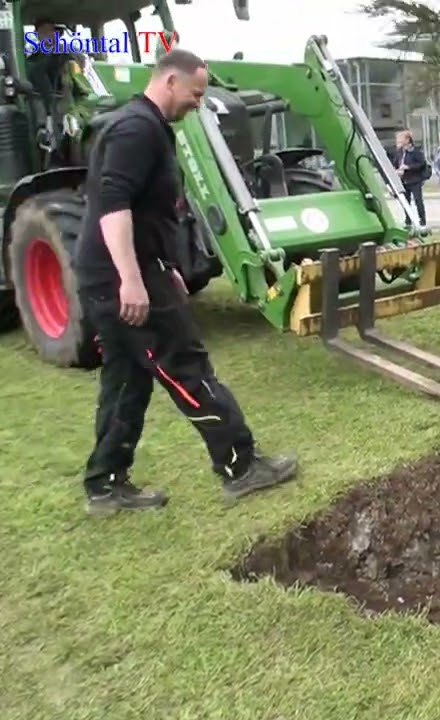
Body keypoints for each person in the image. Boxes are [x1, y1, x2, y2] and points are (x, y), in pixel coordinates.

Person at [72, 48, 298, 515]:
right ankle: (241, 466)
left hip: (112, 274)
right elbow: (113, 206)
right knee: (185, 364)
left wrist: (163, 264)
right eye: (196, 93)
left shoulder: (149, 128)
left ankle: (104, 484)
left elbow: (143, 209)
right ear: (169, 81)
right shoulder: (137, 130)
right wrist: (132, 280)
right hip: (120, 277)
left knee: (126, 380)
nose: (199, 102)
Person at [392, 129, 427, 225]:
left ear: (407, 140)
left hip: (414, 180)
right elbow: (396, 163)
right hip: (404, 181)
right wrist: (397, 170)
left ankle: (422, 220)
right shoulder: (399, 152)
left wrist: (409, 167)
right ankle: (408, 219)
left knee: (418, 201)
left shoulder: (415, 151)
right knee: (405, 201)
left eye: (400, 139)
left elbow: (421, 164)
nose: (398, 141)